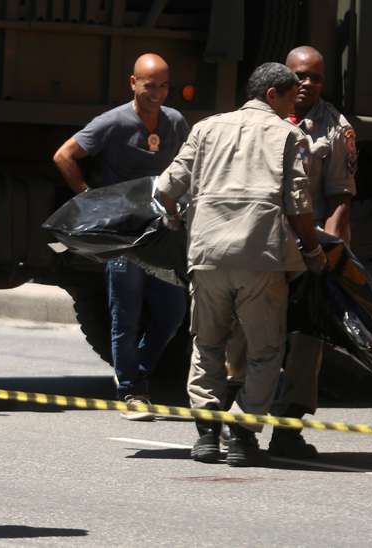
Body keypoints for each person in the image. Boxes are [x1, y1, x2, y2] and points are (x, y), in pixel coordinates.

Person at [155, 62, 327, 467]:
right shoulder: (290, 135)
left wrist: (175, 217)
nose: (291, 107)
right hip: (260, 258)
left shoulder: (206, 128)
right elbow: (299, 204)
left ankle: (207, 436)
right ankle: (242, 434)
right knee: (266, 351)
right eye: (288, 97)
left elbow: (165, 186)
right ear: (272, 95)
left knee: (207, 343)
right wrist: (313, 250)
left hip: (207, 256)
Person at [227, 46, 358, 459]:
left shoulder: (336, 128)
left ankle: (289, 428)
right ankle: (241, 429)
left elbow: (340, 197)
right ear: (285, 76)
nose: (306, 84)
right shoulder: (258, 118)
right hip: (259, 247)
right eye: (299, 75)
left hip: (306, 250)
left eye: (315, 78)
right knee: (247, 338)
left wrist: (330, 255)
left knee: (305, 340)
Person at [53, 53, 189, 421]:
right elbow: (64, 156)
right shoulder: (112, 123)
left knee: (172, 313)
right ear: (133, 83)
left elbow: (186, 166)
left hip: (161, 235)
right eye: (149, 85)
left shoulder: (175, 122)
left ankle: (137, 369)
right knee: (124, 315)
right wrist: (91, 200)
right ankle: (131, 391)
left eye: (162, 86)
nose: (156, 93)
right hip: (124, 237)